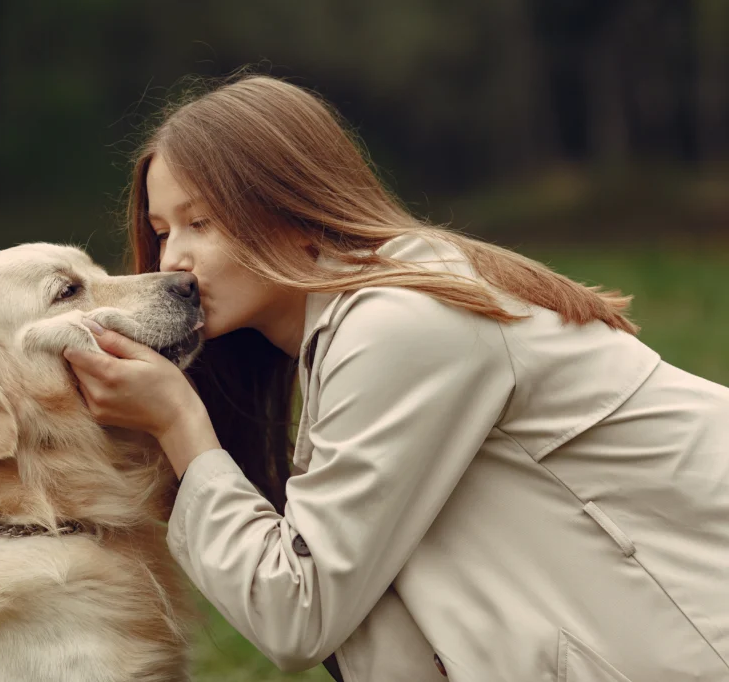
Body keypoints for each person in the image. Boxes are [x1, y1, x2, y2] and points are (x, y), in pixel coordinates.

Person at [63, 74, 729, 682]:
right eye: (161, 230)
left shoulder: (403, 325)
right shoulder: (357, 324)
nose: (172, 259)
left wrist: (179, 421)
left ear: (290, 203)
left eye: (200, 222)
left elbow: (299, 613)